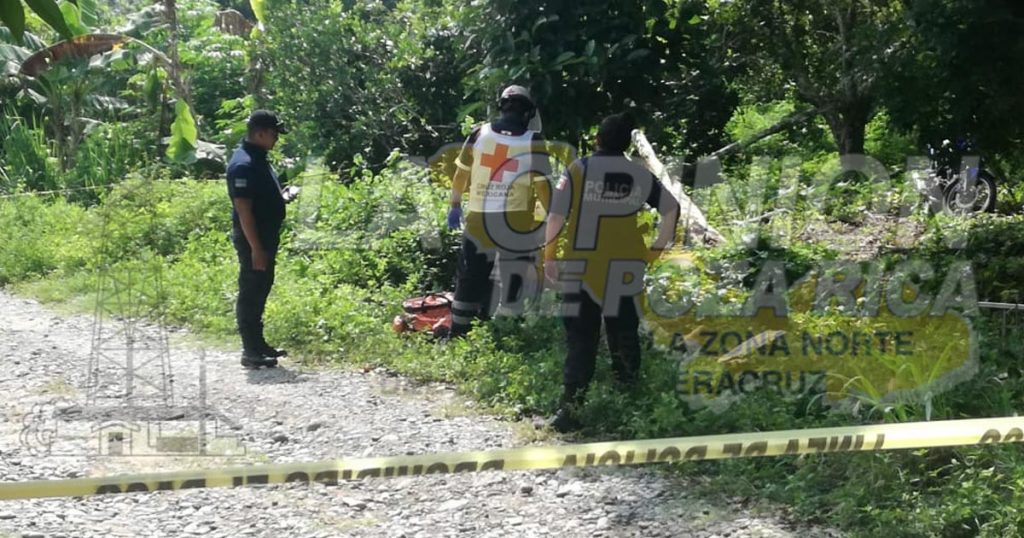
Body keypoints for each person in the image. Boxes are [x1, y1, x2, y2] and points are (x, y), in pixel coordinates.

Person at [542, 112, 680, 432]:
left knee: (581, 338)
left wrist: (548, 255)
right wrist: (656, 249)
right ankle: (628, 406)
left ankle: (570, 409)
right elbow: (672, 208)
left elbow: (556, 216)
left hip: (582, 266)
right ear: (625, 146)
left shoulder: (579, 169)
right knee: (624, 335)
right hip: (626, 266)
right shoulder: (637, 173)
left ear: (597, 140)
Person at [447, 85, 553, 337]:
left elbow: (461, 175)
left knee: (471, 276)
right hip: (514, 224)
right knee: (512, 278)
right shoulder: (533, 142)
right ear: (528, 113)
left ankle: (460, 333)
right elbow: (544, 190)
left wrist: (454, 205)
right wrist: (551, 219)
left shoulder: (478, 134)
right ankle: (505, 336)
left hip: (477, 222)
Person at [226, 110, 299, 369]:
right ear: (260, 133)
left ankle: (259, 344)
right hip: (253, 239)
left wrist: (282, 197)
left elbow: (262, 196)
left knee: (262, 287)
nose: (277, 138)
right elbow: (244, 210)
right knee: (251, 291)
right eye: (274, 133)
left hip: (266, 236)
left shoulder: (258, 159)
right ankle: (250, 350)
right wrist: (256, 248)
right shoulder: (243, 164)